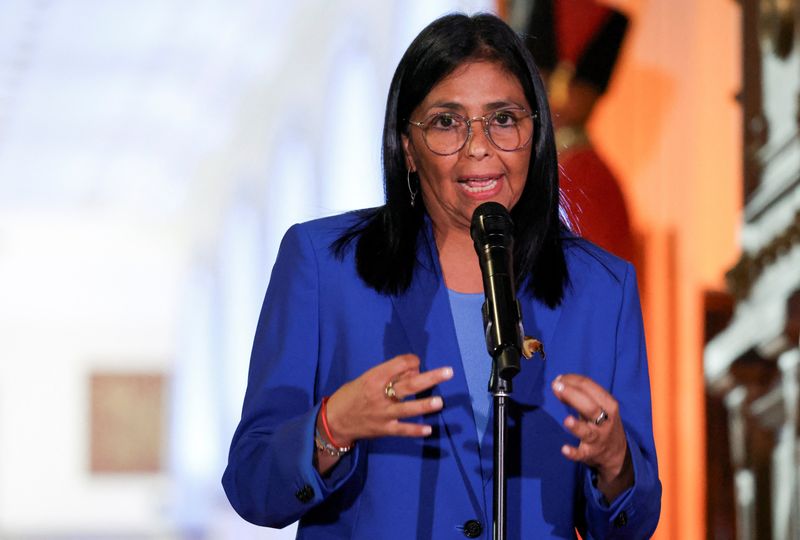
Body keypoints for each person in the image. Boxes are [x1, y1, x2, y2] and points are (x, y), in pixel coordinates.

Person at [222, 13, 661, 539]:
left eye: (503, 119)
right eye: (447, 122)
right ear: (408, 147)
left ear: (535, 135)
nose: (479, 146)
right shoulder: (322, 265)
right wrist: (330, 427)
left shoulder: (602, 289)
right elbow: (253, 487)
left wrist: (615, 466)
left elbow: (631, 524)